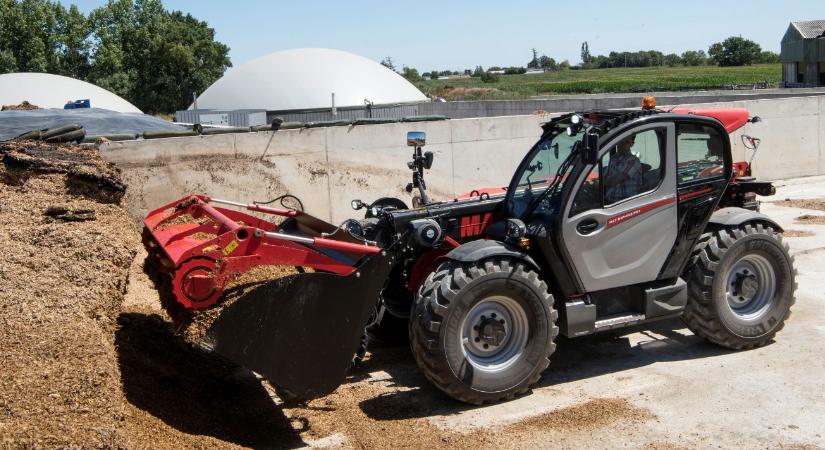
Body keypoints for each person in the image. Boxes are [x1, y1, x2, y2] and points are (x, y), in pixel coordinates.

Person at [604, 135, 643, 204]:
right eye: (621, 141)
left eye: (626, 142)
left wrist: (599, 184)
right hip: (609, 201)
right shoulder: (613, 158)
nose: (623, 144)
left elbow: (615, 181)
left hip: (624, 204)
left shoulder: (634, 161)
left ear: (632, 144)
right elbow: (605, 177)